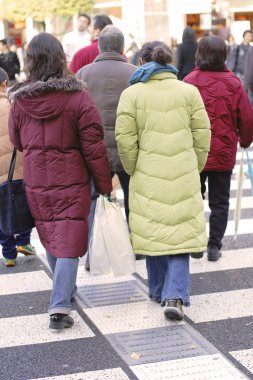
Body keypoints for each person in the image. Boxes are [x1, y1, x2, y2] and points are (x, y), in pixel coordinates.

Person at [8, 33, 112, 331]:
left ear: (31, 61)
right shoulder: (78, 97)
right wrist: (104, 185)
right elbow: (94, 146)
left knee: (53, 237)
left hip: (37, 181)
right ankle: (60, 304)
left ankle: (63, 289)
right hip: (72, 180)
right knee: (68, 240)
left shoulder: (20, 101)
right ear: (59, 59)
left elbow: (17, 141)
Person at [116, 41, 211, 320]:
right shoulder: (189, 92)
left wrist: (133, 168)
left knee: (153, 231)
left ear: (142, 61)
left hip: (146, 171)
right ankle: (176, 295)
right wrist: (195, 165)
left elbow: (124, 140)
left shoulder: (131, 95)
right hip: (183, 170)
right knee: (180, 233)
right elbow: (202, 135)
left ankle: (158, 291)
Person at [184, 36, 253, 261]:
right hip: (223, 152)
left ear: (200, 54)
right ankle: (214, 246)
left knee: (194, 197)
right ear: (224, 55)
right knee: (220, 201)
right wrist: (244, 141)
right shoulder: (233, 83)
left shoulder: (189, 81)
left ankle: (195, 242)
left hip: (194, 152)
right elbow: (247, 117)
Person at [76, 25, 136, 270]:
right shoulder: (135, 73)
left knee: (92, 201)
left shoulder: (82, 73)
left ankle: (93, 253)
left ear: (99, 46)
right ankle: (137, 248)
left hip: (94, 151)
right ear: (122, 48)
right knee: (134, 199)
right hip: (127, 149)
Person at [0, 68, 36, 267]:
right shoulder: (12, 104)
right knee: (23, 201)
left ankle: (8, 253)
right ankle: (23, 240)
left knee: (1, 211)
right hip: (17, 166)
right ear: (5, 84)